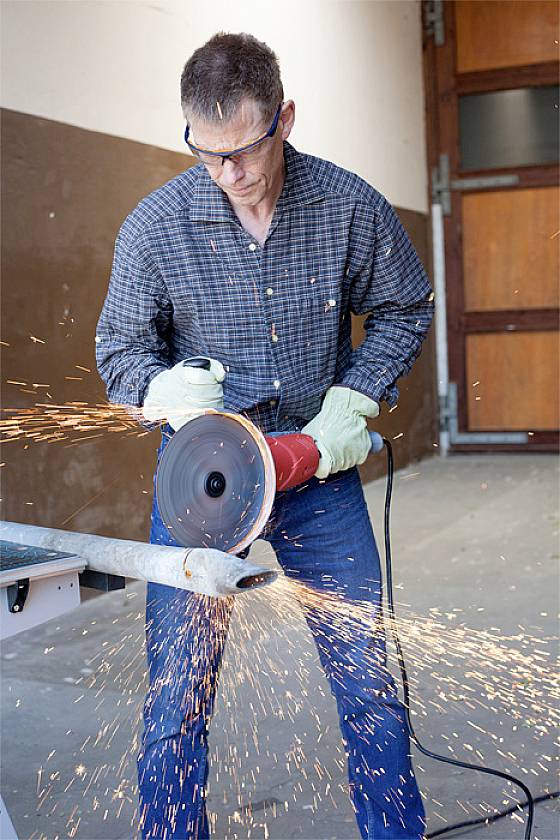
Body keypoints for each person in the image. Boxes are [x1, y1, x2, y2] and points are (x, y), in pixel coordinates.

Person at [96, 32, 434, 840]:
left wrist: (352, 401)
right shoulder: (156, 227)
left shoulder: (348, 206)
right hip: (203, 484)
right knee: (176, 696)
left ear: (284, 119)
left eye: (244, 150)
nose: (228, 172)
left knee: (368, 683)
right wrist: (158, 390)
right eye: (207, 153)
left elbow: (405, 307)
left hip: (319, 472)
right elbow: (119, 350)